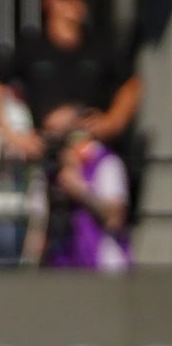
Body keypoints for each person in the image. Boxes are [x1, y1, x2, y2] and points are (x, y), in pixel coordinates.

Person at [0, 0, 142, 160]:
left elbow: (130, 84)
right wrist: (12, 134)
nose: (73, 5)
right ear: (49, 1)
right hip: (46, 152)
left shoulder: (99, 47)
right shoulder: (32, 47)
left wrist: (112, 122)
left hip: (93, 152)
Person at [24, 104, 130, 272]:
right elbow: (38, 227)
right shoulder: (50, 170)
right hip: (61, 265)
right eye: (48, 131)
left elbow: (115, 219)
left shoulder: (106, 162)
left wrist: (80, 189)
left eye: (60, 132)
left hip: (100, 265)